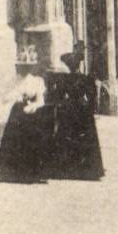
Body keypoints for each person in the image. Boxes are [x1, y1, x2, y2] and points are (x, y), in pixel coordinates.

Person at [47, 41, 104, 180]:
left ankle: (66, 168)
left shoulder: (64, 79)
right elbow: (91, 98)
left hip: (68, 110)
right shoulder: (85, 78)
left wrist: (61, 103)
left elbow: (57, 96)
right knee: (83, 138)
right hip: (82, 111)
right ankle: (86, 169)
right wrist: (90, 109)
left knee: (66, 136)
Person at [0, 74, 55, 183]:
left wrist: (32, 106)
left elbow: (40, 101)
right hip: (18, 114)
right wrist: (17, 98)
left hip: (32, 116)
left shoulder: (38, 81)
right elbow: (8, 97)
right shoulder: (17, 80)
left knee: (30, 143)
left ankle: (31, 173)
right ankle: (12, 172)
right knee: (15, 141)